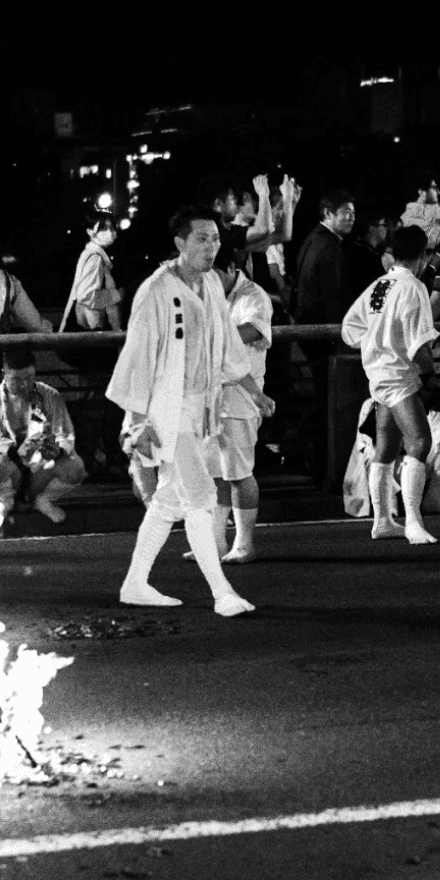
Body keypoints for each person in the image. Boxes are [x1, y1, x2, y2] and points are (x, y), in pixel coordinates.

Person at [107, 208, 274, 614]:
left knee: (168, 500)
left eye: (215, 239)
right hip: (165, 411)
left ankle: (135, 583)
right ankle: (222, 592)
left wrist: (254, 392)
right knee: (200, 495)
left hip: (203, 409)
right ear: (180, 243)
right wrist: (137, 421)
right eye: (202, 238)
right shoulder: (156, 290)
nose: (211, 246)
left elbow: (231, 352)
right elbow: (138, 358)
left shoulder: (213, 284)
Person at [341, 226, 440, 545]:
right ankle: (412, 521)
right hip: (399, 375)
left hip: (378, 372)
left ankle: (383, 520)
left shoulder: (379, 285)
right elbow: (419, 346)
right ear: (422, 257)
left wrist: (375, 346)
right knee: (420, 441)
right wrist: (429, 371)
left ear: (391, 254)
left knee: (386, 446)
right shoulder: (413, 287)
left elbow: (349, 328)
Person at [213, 231, 277, 561]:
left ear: (227, 268)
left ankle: (245, 543)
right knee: (216, 471)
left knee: (238, 472)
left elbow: (251, 331)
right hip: (209, 397)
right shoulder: (208, 293)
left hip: (239, 397)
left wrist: (209, 335)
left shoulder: (253, 296)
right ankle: (216, 541)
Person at [0, 349, 84, 533]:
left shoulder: (50, 395)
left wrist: (58, 450)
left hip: (40, 469)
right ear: (4, 374)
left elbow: (64, 435)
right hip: (10, 471)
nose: (24, 384)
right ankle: (5, 501)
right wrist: (16, 451)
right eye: (16, 379)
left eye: (29, 378)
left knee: (75, 466)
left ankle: (43, 500)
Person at [292, 191, 360, 325]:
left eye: (353, 213)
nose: (352, 218)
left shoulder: (313, 238)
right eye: (346, 212)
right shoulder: (329, 246)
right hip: (321, 332)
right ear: (328, 213)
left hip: (304, 326)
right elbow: (332, 297)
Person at [63, 214, 124, 331]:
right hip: (91, 327)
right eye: (103, 229)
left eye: (112, 228)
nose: (109, 233)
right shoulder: (95, 258)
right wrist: (115, 295)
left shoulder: (92, 254)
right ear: (90, 232)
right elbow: (86, 295)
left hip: (89, 326)